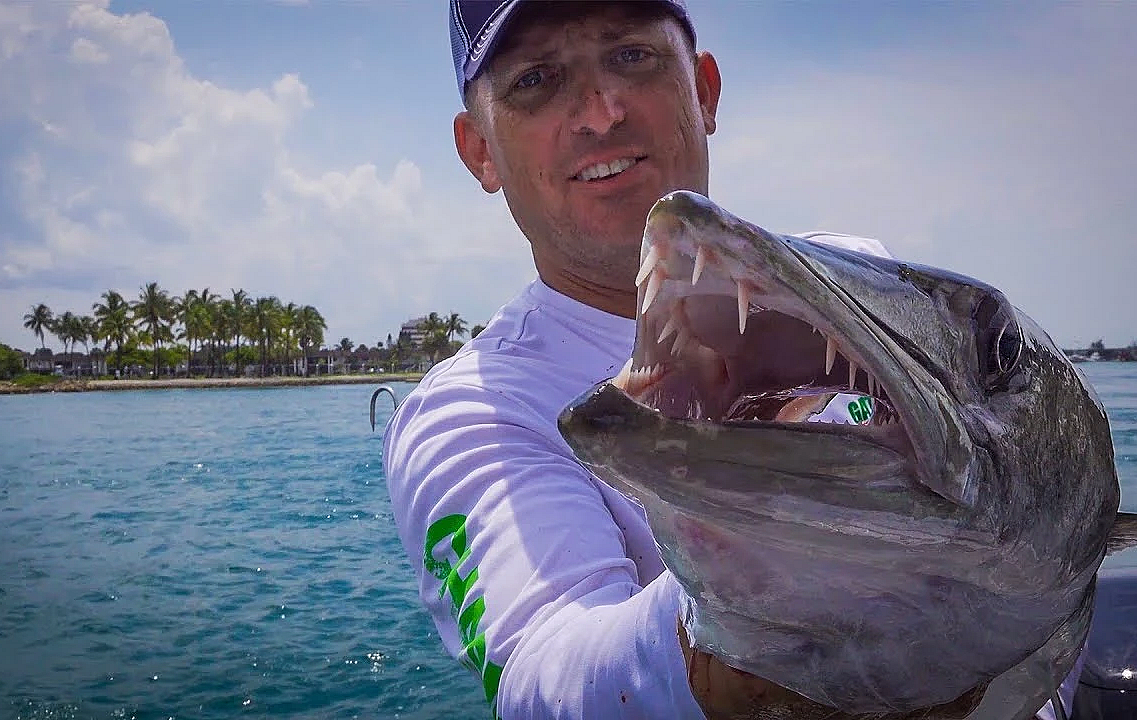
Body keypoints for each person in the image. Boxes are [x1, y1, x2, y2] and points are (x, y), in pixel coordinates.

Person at [383, 2, 1075, 717]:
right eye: (535, 80)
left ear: (705, 90)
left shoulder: (864, 276)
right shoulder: (469, 414)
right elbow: (542, 677)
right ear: (480, 150)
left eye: (631, 55)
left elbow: (1060, 547)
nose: (600, 113)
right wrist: (752, 633)